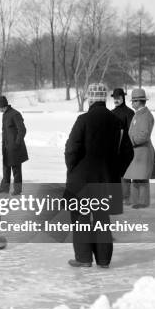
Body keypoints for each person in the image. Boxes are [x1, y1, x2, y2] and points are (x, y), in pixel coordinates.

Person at [64, 83, 129, 268]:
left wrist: (73, 169)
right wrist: (116, 171)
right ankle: (103, 260)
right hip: (107, 179)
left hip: (82, 179)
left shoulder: (83, 120)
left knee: (81, 217)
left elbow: (71, 149)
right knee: (102, 218)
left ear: (91, 99)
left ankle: (83, 259)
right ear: (105, 99)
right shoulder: (116, 121)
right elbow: (127, 152)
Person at [123, 88, 155, 208]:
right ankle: (135, 201)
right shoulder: (138, 114)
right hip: (136, 153)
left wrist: (131, 142)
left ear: (140, 101)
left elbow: (144, 135)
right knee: (135, 177)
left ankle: (142, 202)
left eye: (134, 101)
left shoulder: (146, 115)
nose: (132, 103)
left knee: (142, 178)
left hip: (142, 152)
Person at [0, 96, 28, 195]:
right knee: (6, 167)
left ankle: (17, 190)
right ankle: (4, 188)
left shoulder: (15, 114)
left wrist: (16, 143)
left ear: (2, 106)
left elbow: (22, 130)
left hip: (15, 148)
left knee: (16, 169)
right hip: (6, 147)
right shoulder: (5, 114)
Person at [111, 88, 134, 204]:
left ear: (123, 98)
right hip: (114, 149)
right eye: (114, 98)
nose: (116, 100)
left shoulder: (129, 113)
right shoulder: (111, 112)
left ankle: (126, 197)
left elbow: (132, 131)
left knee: (125, 173)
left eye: (118, 98)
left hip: (126, 148)